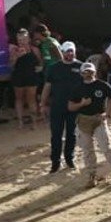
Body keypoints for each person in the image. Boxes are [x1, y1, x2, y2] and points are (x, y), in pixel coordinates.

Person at [68, 61, 111, 188]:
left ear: (95, 72)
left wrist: (108, 114)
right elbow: (70, 106)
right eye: (85, 72)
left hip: (99, 120)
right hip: (83, 121)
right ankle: (91, 176)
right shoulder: (77, 87)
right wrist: (82, 104)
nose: (88, 74)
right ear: (81, 73)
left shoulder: (102, 85)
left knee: (106, 147)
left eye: (90, 71)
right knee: (87, 150)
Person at [41, 41, 83, 173]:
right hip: (57, 105)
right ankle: (55, 162)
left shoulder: (81, 66)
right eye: (67, 51)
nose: (69, 53)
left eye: (71, 51)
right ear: (62, 52)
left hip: (74, 106)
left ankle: (69, 159)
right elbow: (47, 87)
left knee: (72, 134)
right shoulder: (54, 68)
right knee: (56, 135)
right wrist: (43, 103)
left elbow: (87, 85)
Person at [8, 30, 42, 129]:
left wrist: (40, 68)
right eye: (19, 39)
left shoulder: (34, 50)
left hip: (31, 76)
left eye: (24, 39)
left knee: (31, 99)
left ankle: (34, 123)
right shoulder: (14, 50)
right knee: (19, 99)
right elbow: (10, 65)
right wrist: (16, 57)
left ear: (28, 39)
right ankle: (20, 122)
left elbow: (40, 62)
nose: (21, 41)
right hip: (18, 77)